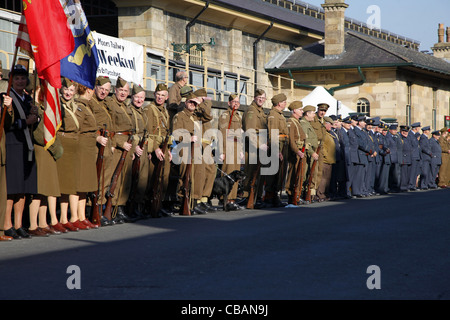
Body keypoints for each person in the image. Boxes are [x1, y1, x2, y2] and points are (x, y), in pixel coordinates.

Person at [3, 65, 38, 239]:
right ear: (11, 80)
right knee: (12, 188)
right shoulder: (6, 98)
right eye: (16, 78)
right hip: (12, 145)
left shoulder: (28, 99)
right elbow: (5, 124)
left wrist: (35, 117)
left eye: (23, 78)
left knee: (23, 188)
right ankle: (7, 224)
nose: (20, 81)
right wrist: (26, 122)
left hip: (26, 146)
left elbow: (33, 124)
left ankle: (18, 224)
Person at [27, 85, 65, 236]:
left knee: (45, 190)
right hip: (40, 151)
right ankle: (32, 224)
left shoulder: (44, 108)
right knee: (38, 191)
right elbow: (38, 134)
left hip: (47, 152)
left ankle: (42, 222)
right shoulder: (34, 107)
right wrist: (56, 148)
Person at [105, 76, 135, 223]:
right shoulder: (110, 104)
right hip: (117, 146)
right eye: (120, 90)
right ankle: (112, 208)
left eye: (125, 91)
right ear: (115, 90)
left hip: (128, 146)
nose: (123, 93)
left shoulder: (126, 107)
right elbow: (109, 127)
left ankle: (120, 207)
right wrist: (118, 143)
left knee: (125, 179)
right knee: (115, 177)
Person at [172, 92, 207, 215]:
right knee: (185, 176)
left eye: (195, 103)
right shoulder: (180, 116)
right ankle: (182, 202)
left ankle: (195, 202)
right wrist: (188, 138)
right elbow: (176, 134)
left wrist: (201, 102)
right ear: (185, 102)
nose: (192, 105)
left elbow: (208, 116)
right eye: (191, 102)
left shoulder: (197, 117)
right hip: (185, 149)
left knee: (198, 175)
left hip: (196, 150)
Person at [56, 78, 84, 231]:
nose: (68, 92)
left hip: (75, 145)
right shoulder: (58, 105)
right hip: (63, 142)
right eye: (66, 89)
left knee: (71, 183)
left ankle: (70, 217)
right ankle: (63, 218)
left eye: (71, 90)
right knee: (64, 184)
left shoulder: (76, 106)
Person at [87, 76, 115, 227]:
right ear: (95, 88)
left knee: (105, 177)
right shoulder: (91, 103)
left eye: (107, 90)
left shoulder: (106, 104)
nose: (103, 92)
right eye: (101, 89)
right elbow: (88, 124)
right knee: (96, 178)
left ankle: (100, 208)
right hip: (97, 144)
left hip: (108, 143)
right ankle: (91, 210)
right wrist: (97, 137)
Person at [145, 83, 174, 217]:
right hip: (154, 148)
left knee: (164, 178)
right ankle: (149, 206)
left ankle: (159, 204)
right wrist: (155, 148)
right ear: (154, 95)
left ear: (167, 97)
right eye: (158, 95)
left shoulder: (165, 111)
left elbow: (166, 133)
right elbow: (148, 131)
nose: (160, 98)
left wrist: (167, 149)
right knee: (153, 178)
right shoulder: (150, 109)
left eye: (163, 95)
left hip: (164, 147)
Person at [74, 83, 98, 229]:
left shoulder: (87, 105)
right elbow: (78, 127)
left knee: (85, 184)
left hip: (88, 147)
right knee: (79, 183)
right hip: (82, 147)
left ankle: (82, 216)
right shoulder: (80, 106)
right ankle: (76, 216)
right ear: (88, 90)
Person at [242, 89, 268, 209]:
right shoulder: (251, 111)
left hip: (261, 145)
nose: (261, 100)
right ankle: (247, 197)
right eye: (259, 97)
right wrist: (259, 145)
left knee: (259, 174)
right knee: (252, 172)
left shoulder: (260, 111)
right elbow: (250, 131)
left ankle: (256, 197)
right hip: (254, 146)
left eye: (263, 98)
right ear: (254, 97)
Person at [218, 94, 244, 211]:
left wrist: (241, 150)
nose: (236, 103)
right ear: (229, 103)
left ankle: (233, 199)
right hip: (228, 146)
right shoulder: (225, 115)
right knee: (228, 173)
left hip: (236, 146)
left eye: (237, 102)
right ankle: (226, 199)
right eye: (233, 101)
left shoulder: (238, 115)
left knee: (236, 176)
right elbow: (222, 134)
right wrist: (222, 151)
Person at [193, 88, 217, 213]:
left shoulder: (202, 108)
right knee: (200, 173)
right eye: (203, 99)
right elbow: (208, 115)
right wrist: (204, 103)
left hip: (207, 145)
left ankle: (204, 198)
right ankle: (197, 200)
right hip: (200, 145)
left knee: (211, 171)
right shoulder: (197, 109)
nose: (205, 102)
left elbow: (209, 116)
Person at [264, 93, 288, 207]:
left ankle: (274, 196)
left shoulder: (280, 114)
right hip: (277, 145)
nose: (285, 104)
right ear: (279, 103)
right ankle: (269, 197)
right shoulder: (273, 115)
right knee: (272, 173)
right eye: (284, 102)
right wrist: (276, 150)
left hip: (282, 145)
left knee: (278, 173)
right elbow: (272, 133)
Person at [285, 101, 306, 204]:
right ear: (294, 110)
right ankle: (291, 195)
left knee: (299, 174)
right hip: (295, 152)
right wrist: (297, 151)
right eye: (300, 109)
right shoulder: (291, 122)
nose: (302, 111)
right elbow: (291, 140)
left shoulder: (297, 121)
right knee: (293, 175)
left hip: (300, 151)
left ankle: (296, 194)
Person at [0, 89, 14, 241]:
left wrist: (9, 108)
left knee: (1, 193)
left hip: (1, 152)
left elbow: (8, 124)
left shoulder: (2, 98)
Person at [298, 105, 319, 202]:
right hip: (307, 153)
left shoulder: (308, 124)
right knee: (304, 174)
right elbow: (305, 141)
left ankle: (305, 194)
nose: (314, 115)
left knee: (308, 174)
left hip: (310, 154)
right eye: (313, 113)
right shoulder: (303, 124)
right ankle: (300, 195)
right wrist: (312, 152)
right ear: (307, 114)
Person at [309, 103, 328, 202]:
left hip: (320, 148)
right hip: (314, 147)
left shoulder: (323, 121)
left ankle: (316, 192)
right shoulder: (313, 119)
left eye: (324, 111)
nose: (322, 113)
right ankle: (310, 193)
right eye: (321, 110)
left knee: (319, 172)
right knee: (314, 171)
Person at [317, 116, 336, 202]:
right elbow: (322, 145)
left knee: (327, 179)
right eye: (330, 124)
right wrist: (325, 155)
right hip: (325, 160)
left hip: (329, 160)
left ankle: (324, 194)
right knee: (323, 179)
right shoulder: (323, 133)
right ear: (325, 124)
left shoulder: (328, 133)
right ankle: (320, 195)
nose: (331, 126)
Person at [408, 122, 422, 190]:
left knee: (415, 172)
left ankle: (413, 185)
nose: (419, 129)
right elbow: (411, 146)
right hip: (412, 155)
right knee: (412, 171)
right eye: (419, 128)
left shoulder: (415, 135)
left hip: (416, 155)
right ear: (416, 128)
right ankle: (411, 185)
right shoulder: (410, 135)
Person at [399, 125, 413, 192]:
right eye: (403, 131)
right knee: (403, 174)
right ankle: (403, 187)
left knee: (408, 174)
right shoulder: (400, 138)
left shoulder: (408, 138)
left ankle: (407, 186)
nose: (405, 133)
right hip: (403, 158)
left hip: (409, 158)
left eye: (406, 131)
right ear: (401, 131)